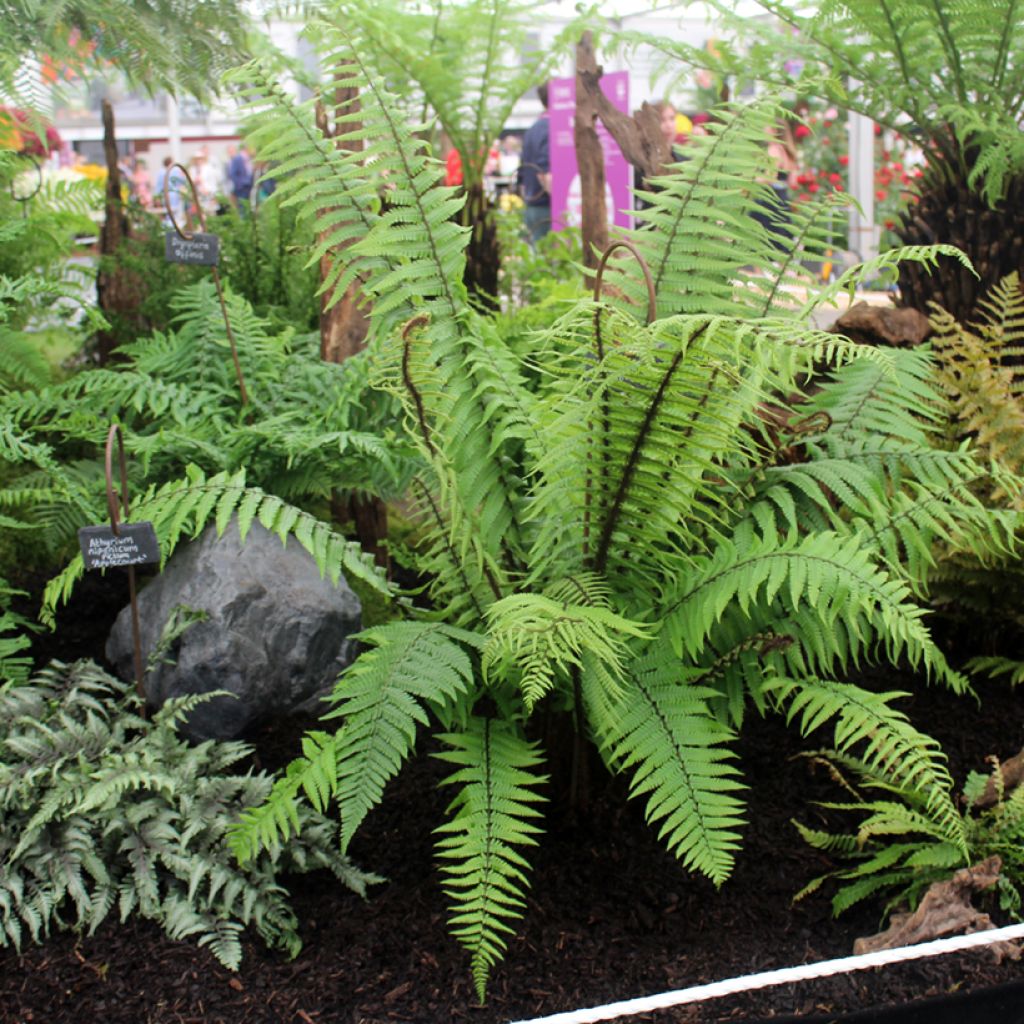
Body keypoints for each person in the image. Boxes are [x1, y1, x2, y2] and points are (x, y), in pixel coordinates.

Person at [518, 82, 551, 244]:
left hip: (532, 204)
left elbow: (522, 171)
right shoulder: (550, 128)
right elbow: (545, 173)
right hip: (546, 207)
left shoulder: (533, 128)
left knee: (538, 257)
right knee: (550, 261)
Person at [227, 143, 254, 211]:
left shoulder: (249, 159)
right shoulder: (237, 158)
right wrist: (241, 184)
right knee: (242, 208)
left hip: (249, 187)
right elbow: (232, 174)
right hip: (241, 188)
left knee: (248, 207)